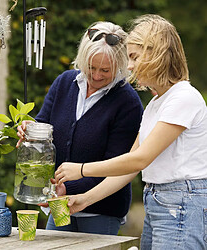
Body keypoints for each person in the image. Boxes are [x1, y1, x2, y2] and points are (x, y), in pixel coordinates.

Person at [55, 14, 207, 249]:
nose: (129, 66)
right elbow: (131, 167)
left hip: (181, 204)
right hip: (160, 203)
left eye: (135, 57)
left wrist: (82, 170)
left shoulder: (184, 97)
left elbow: (140, 158)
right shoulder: (157, 103)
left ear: (156, 55)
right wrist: (85, 200)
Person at [16, 21, 143, 235]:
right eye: (91, 67)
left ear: (120, 66)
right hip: (59, 205)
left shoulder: (127, 103)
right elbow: (43, 123)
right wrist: (31, 129)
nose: (97, 75)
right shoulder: (65, 82)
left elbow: (117, 166)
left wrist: (69, 188)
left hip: (101, 212)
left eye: (106, 70)